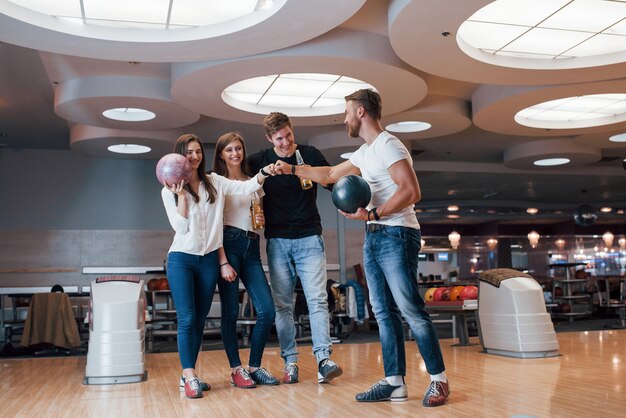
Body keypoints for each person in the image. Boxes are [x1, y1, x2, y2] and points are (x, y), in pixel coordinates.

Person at [273, 89, 450, 407]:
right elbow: (328, 175)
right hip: (374, 236)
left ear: (361, 113)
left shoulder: (389, 144)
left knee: (410, 309)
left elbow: (411, 190)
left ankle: (439, 380)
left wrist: (373, 213)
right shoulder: (365, 153)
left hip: (397, 234)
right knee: (383, 312)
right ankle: (394, 382)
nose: (343, 119)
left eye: (346, 112)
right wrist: (291, 169)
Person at [161, 133, 275, 399]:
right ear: (180, 155)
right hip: (181, 258)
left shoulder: (214, 182)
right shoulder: (169, 189)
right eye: (189, 152)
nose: (195, 156)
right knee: (188, 318)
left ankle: (189, 375)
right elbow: (180, 227)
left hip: (208, 260)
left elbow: (245, 189)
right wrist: (182, 198)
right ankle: (189, 375)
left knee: (200, 320)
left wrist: (264, 173)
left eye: (198, 151)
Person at [247, 112, 343, 384]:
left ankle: (324, 359)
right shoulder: (260, 160)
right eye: (280, 138)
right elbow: (237, 182)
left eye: (289, 135)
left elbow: (330, 180)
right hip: (277, 241)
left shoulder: (310, 153)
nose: (286, 141)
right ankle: (290, 362)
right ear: (269, 138)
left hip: (310, 238)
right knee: (283, 305)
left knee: (317, 300)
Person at [212, 132, 279, 389]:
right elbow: (215, 224)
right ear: (221, 154)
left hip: (252, 245)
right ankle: (236, 369)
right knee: (230, 312)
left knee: (267, 310)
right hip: (228, 244)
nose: (235, 154)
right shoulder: (216, 181)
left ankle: (254, 366)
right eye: (229, 150)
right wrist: (223, 261)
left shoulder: (253, 182)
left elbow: (257, 211)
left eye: (238, 148)